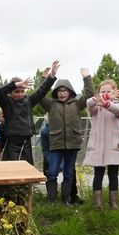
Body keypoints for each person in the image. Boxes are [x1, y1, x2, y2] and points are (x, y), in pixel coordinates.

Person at [38, 65, 94, 204]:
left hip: (72, 144)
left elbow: (89, 93)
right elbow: (40, 95)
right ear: (56, 93)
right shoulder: (50, 104)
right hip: (56, 144)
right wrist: (44, 79)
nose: (62, 93)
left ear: (70, 92)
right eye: (59, 91)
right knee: (52, 173)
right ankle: (51, 200)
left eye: (65, 91)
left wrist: (86, 78)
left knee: (69, 173)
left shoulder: (77, 104)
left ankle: (65, 200)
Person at [0, 62, 58, 164]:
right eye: (16, 91)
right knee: (13, 172)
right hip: (12, 144)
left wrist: (51, 77)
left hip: (27, 143)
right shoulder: (6, 103)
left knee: (28, 171)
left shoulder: (28, 101)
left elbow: (41, 91)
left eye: (22, 91)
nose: (20, 94)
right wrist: (15, 84)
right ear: (10, 93)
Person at [83, 80, 119, 208]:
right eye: (102, 92)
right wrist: (103, 99)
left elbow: (118, 111)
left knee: (113, 174)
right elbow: (88, 102)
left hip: (113, 145)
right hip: (98, 146)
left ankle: (113, 203)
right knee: (98, 174)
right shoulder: (95, 107)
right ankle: (98, 204)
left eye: (109, 91)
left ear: (115, 92)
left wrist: (106, 102)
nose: (105, 94)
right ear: (98, 93)